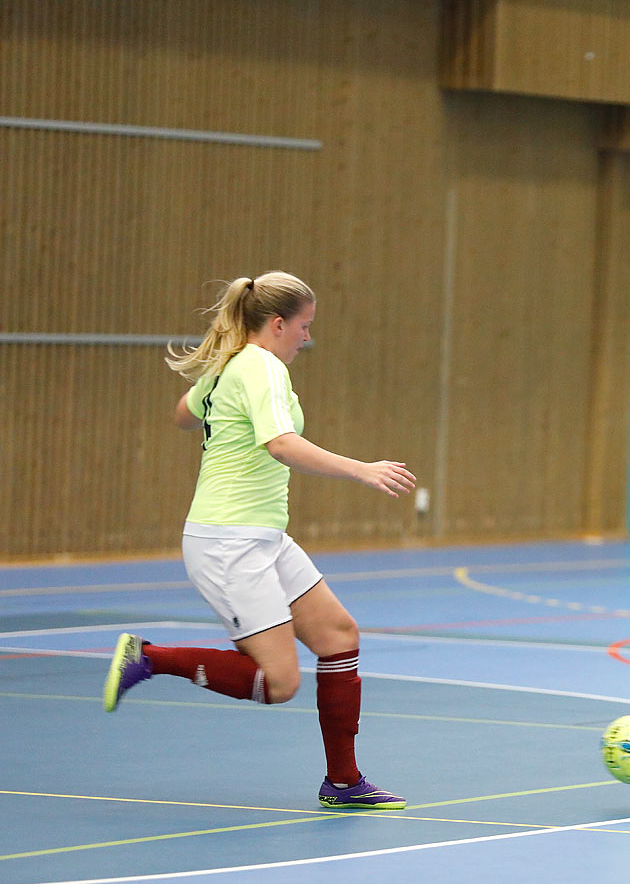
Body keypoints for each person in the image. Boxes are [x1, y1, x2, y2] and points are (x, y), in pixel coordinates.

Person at [102, 271, 417, 810]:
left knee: (339, 634)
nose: (306, 338)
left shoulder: (232, 366)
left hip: (261, 535)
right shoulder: (263, 366)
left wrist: (217, 408)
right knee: (279, 682)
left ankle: (343, 782)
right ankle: (150, 657)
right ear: (277, 324)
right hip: (229, 540)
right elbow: (280, 444)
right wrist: (361, 470)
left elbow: (183, 414)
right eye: (304, 327)